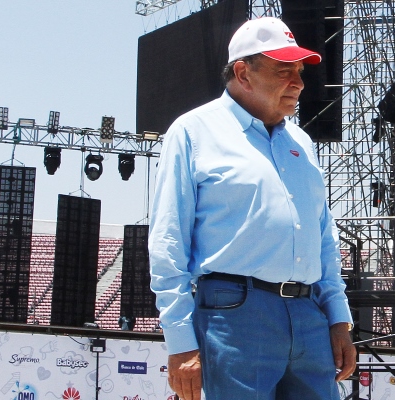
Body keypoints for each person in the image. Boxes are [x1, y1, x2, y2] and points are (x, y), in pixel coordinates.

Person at [149, 17, 355, 400]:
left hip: (309, 315)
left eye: (299, 71)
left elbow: (323, 236)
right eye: (283, 71)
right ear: (243, 73)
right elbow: (167, 243)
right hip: (234, 317)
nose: (298, 82)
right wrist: (180, 341)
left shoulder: (302, 142)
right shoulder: (193, 132)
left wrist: (339, 318)